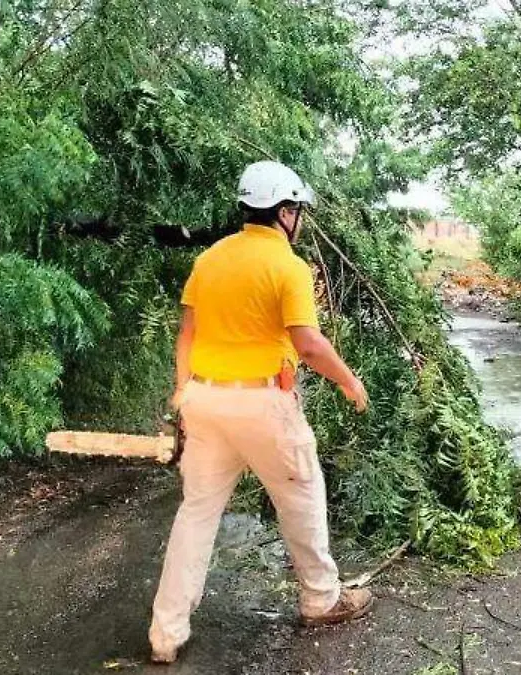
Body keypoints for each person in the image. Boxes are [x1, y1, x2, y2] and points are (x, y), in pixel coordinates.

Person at [148, 161, 374, 664]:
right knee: (301, 495)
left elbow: (186, 333)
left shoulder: (209, 260)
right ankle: (322, 598)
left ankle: (166, 632)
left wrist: (182, 394)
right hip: (263, 404)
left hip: (205, 401)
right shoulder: (289, 267)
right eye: (298, 210)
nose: (300, 219)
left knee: (196, 515)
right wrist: (349, 380)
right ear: (285, 211)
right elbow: (308, 343)